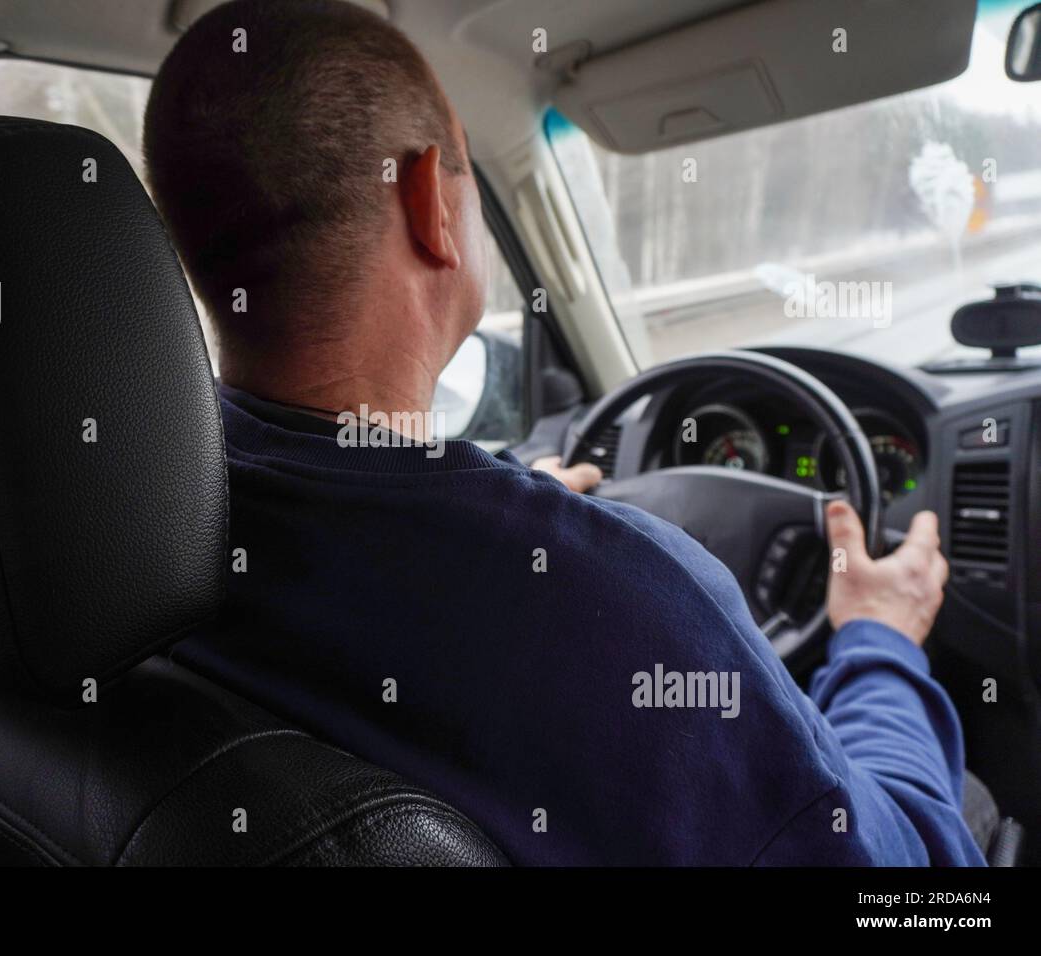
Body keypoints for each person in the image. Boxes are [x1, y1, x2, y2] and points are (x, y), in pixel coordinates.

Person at [143, 0, 985, 864]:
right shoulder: (628, 608)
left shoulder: (130, 525)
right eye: (471, 175)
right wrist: (880, 636)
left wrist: (514, 502)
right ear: (431, 201)